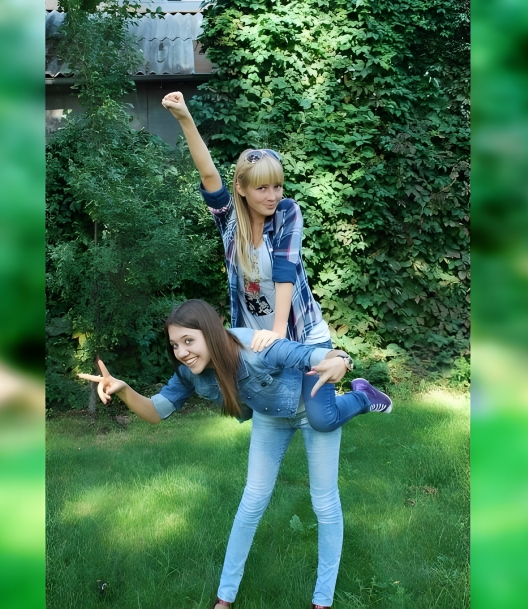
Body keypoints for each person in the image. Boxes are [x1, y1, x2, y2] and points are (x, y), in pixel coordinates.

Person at [78, 299, 392, 609]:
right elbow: (155, 412)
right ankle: (224, 599)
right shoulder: (190, 372)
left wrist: (340, 360)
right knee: (252, 502)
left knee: (324, 502)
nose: (182, 352)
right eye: (174, 345)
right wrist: (123, 389)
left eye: (188, 341)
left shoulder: (256, 347)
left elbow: (312, 354)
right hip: (270, 417)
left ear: (211, 333)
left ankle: (322, 601)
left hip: (308, 403)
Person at [160, 91, 392, 435]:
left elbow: (285, 271)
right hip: (259, 343)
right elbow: (209, 175)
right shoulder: (229, 223)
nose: (272, 196)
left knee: (322, 419)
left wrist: (279, 331)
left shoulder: (287, 213)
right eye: (262, 188)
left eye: (277, 186)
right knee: (266, 411)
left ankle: (362, 395)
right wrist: (184, 118)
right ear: (241, 188)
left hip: (301, 334)